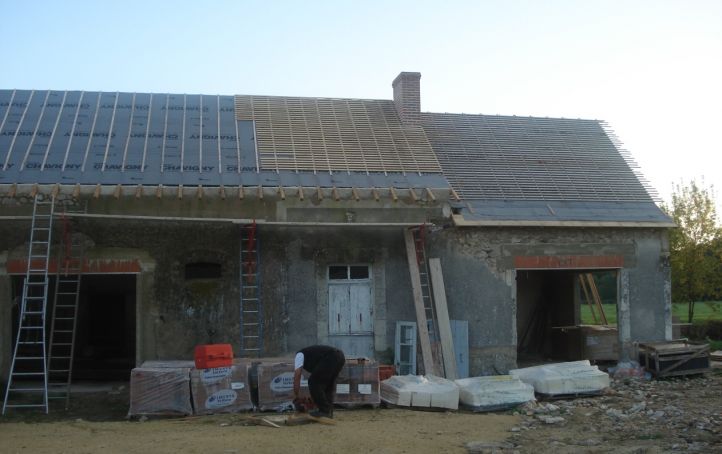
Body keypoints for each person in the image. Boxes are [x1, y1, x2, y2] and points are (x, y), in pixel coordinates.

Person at [292, 345, 345, 419]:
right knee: (327, 385)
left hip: (331, 356)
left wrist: (296, 395)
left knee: (313, 382)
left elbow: (297, 375)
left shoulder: (299, 355)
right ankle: (328, 411)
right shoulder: (311, 356)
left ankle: (324, 411)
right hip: (340, 357)